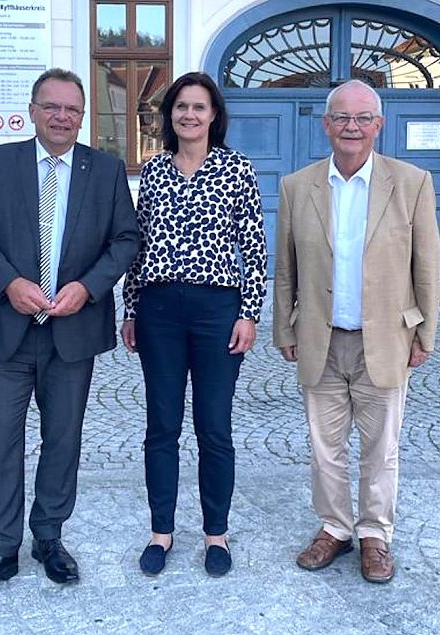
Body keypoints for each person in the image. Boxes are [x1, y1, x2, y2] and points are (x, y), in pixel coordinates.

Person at [0, 68, 139, 603]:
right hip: (6, 330)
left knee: (63, 439)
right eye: (51, 106)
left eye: (71, 109)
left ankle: (49, 536)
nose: (61, 117)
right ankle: (0, 547)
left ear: (83, 117)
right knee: (0, 441)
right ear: (32, 111)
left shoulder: (105, 170)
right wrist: (8, 282)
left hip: (72, 330)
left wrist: (89, 287)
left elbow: (126, 239)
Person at [274, 79, 440, 583]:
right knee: (325, 448)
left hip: (386, 340)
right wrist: (284, 328)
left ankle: (375, 535)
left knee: (380, 448)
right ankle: (334, 528)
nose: (352, 127)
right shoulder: (297, 186)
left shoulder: (411, 183)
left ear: (379, 125)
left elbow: (427, 267)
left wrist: (425, 334)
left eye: (363, 118)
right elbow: (286, 268)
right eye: (342, 118)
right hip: (320, 340)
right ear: (326, 125)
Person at [121, 71, 267, 577]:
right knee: (161, 426)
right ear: (170, 115)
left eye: (198, 107)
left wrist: (249, 312)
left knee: (214, 427)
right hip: (159, 310)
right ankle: (161, 531)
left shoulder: (236, 168)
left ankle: (215, 534)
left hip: (216, 311)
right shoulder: (154, 171)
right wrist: (131, 308)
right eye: (181, 106)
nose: (189, 114)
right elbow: (138, 246)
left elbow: (254, 246)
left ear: (213, 115)